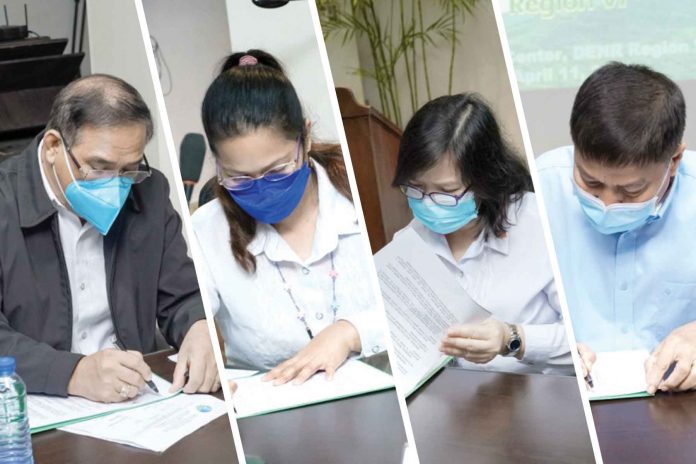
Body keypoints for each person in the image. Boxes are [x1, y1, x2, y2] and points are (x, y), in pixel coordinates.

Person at [0, 74, 219, 402]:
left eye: (128, 169)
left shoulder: (150, 192)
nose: (115, 185)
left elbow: (181, 294)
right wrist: (72, 373)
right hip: (31, 402)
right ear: (53, 147)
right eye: (99, 168)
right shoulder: (6, 201)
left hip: (136, 397)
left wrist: (199, 325)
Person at [192, 50, 386, 389]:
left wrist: (351, 332)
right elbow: (190, 310)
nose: (262, 188)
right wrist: (196, 330)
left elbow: (421, 305)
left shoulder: (361, 194)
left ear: (306, 138)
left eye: (278, 169)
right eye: (239, 177)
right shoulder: (208, 229)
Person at [537, 62, 696, 394]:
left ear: (674, 162)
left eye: (630, 191)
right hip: (570, 394)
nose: (606, 204)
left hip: (676, 403)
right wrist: (554, 344)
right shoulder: (540, 189)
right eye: (590, 182)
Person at [393, 93, 572, 375]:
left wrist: (512, 339)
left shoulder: (539, 223)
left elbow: (585, 337)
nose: (428, 202)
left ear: (485, 179)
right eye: (416, 188)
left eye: (447, 191)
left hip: (540, 397)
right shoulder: (407, 243)